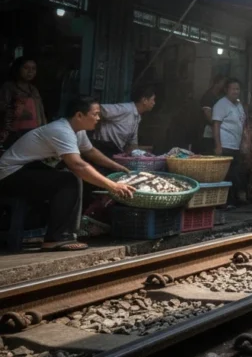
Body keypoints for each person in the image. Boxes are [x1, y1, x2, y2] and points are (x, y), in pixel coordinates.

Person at [0, 97, 135, 251]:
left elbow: (89, 151)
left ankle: (68, 232)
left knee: (73, 178)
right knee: (69, 180)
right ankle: (57, 238)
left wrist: (118, 167)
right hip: (10, 175)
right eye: (95, 114)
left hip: (30, 169)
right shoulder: (61, 130)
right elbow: (77, 164)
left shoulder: (77, 131)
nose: (98, 118)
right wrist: (112, 185)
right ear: (79, 115)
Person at [93, 86, 157, 159]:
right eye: (153, 100)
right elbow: (98, 109)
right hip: (102, 148)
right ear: (144, 100)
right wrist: (96, 127)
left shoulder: (137, 118)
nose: (154, 103)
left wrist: (148, 154)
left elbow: (132, 146)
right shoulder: (126, 109)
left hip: (114, 152)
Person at [213, 78, 248, 205]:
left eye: (237, 89)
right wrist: (218, 145)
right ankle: (225, 202)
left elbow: (242, 124)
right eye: (233, 89)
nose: (236, 91)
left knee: (235, 174)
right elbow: (216, 125)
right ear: (226, 90)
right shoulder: (221, 104)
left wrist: (244, 141)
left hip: (236, 145)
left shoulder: (239, 105)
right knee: (226, 175)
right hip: (225, 145)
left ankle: (234, 200)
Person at [1, 57, 47, 152]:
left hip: (34, 132)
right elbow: (2, 108)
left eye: (33, 69)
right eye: (26, 68)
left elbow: (40, 111)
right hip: (14, 133)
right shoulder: (9, 87)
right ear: (17, 69)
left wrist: (44, 129)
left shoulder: (33, 89)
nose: (30, 72)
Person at [198, 75, 227, 154]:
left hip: (214, 133)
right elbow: (208, 116)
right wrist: (219, 125)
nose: (224, 85)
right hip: (207, 133)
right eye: (223, 83)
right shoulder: (208, 96)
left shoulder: (219, 97)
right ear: (217, 83)